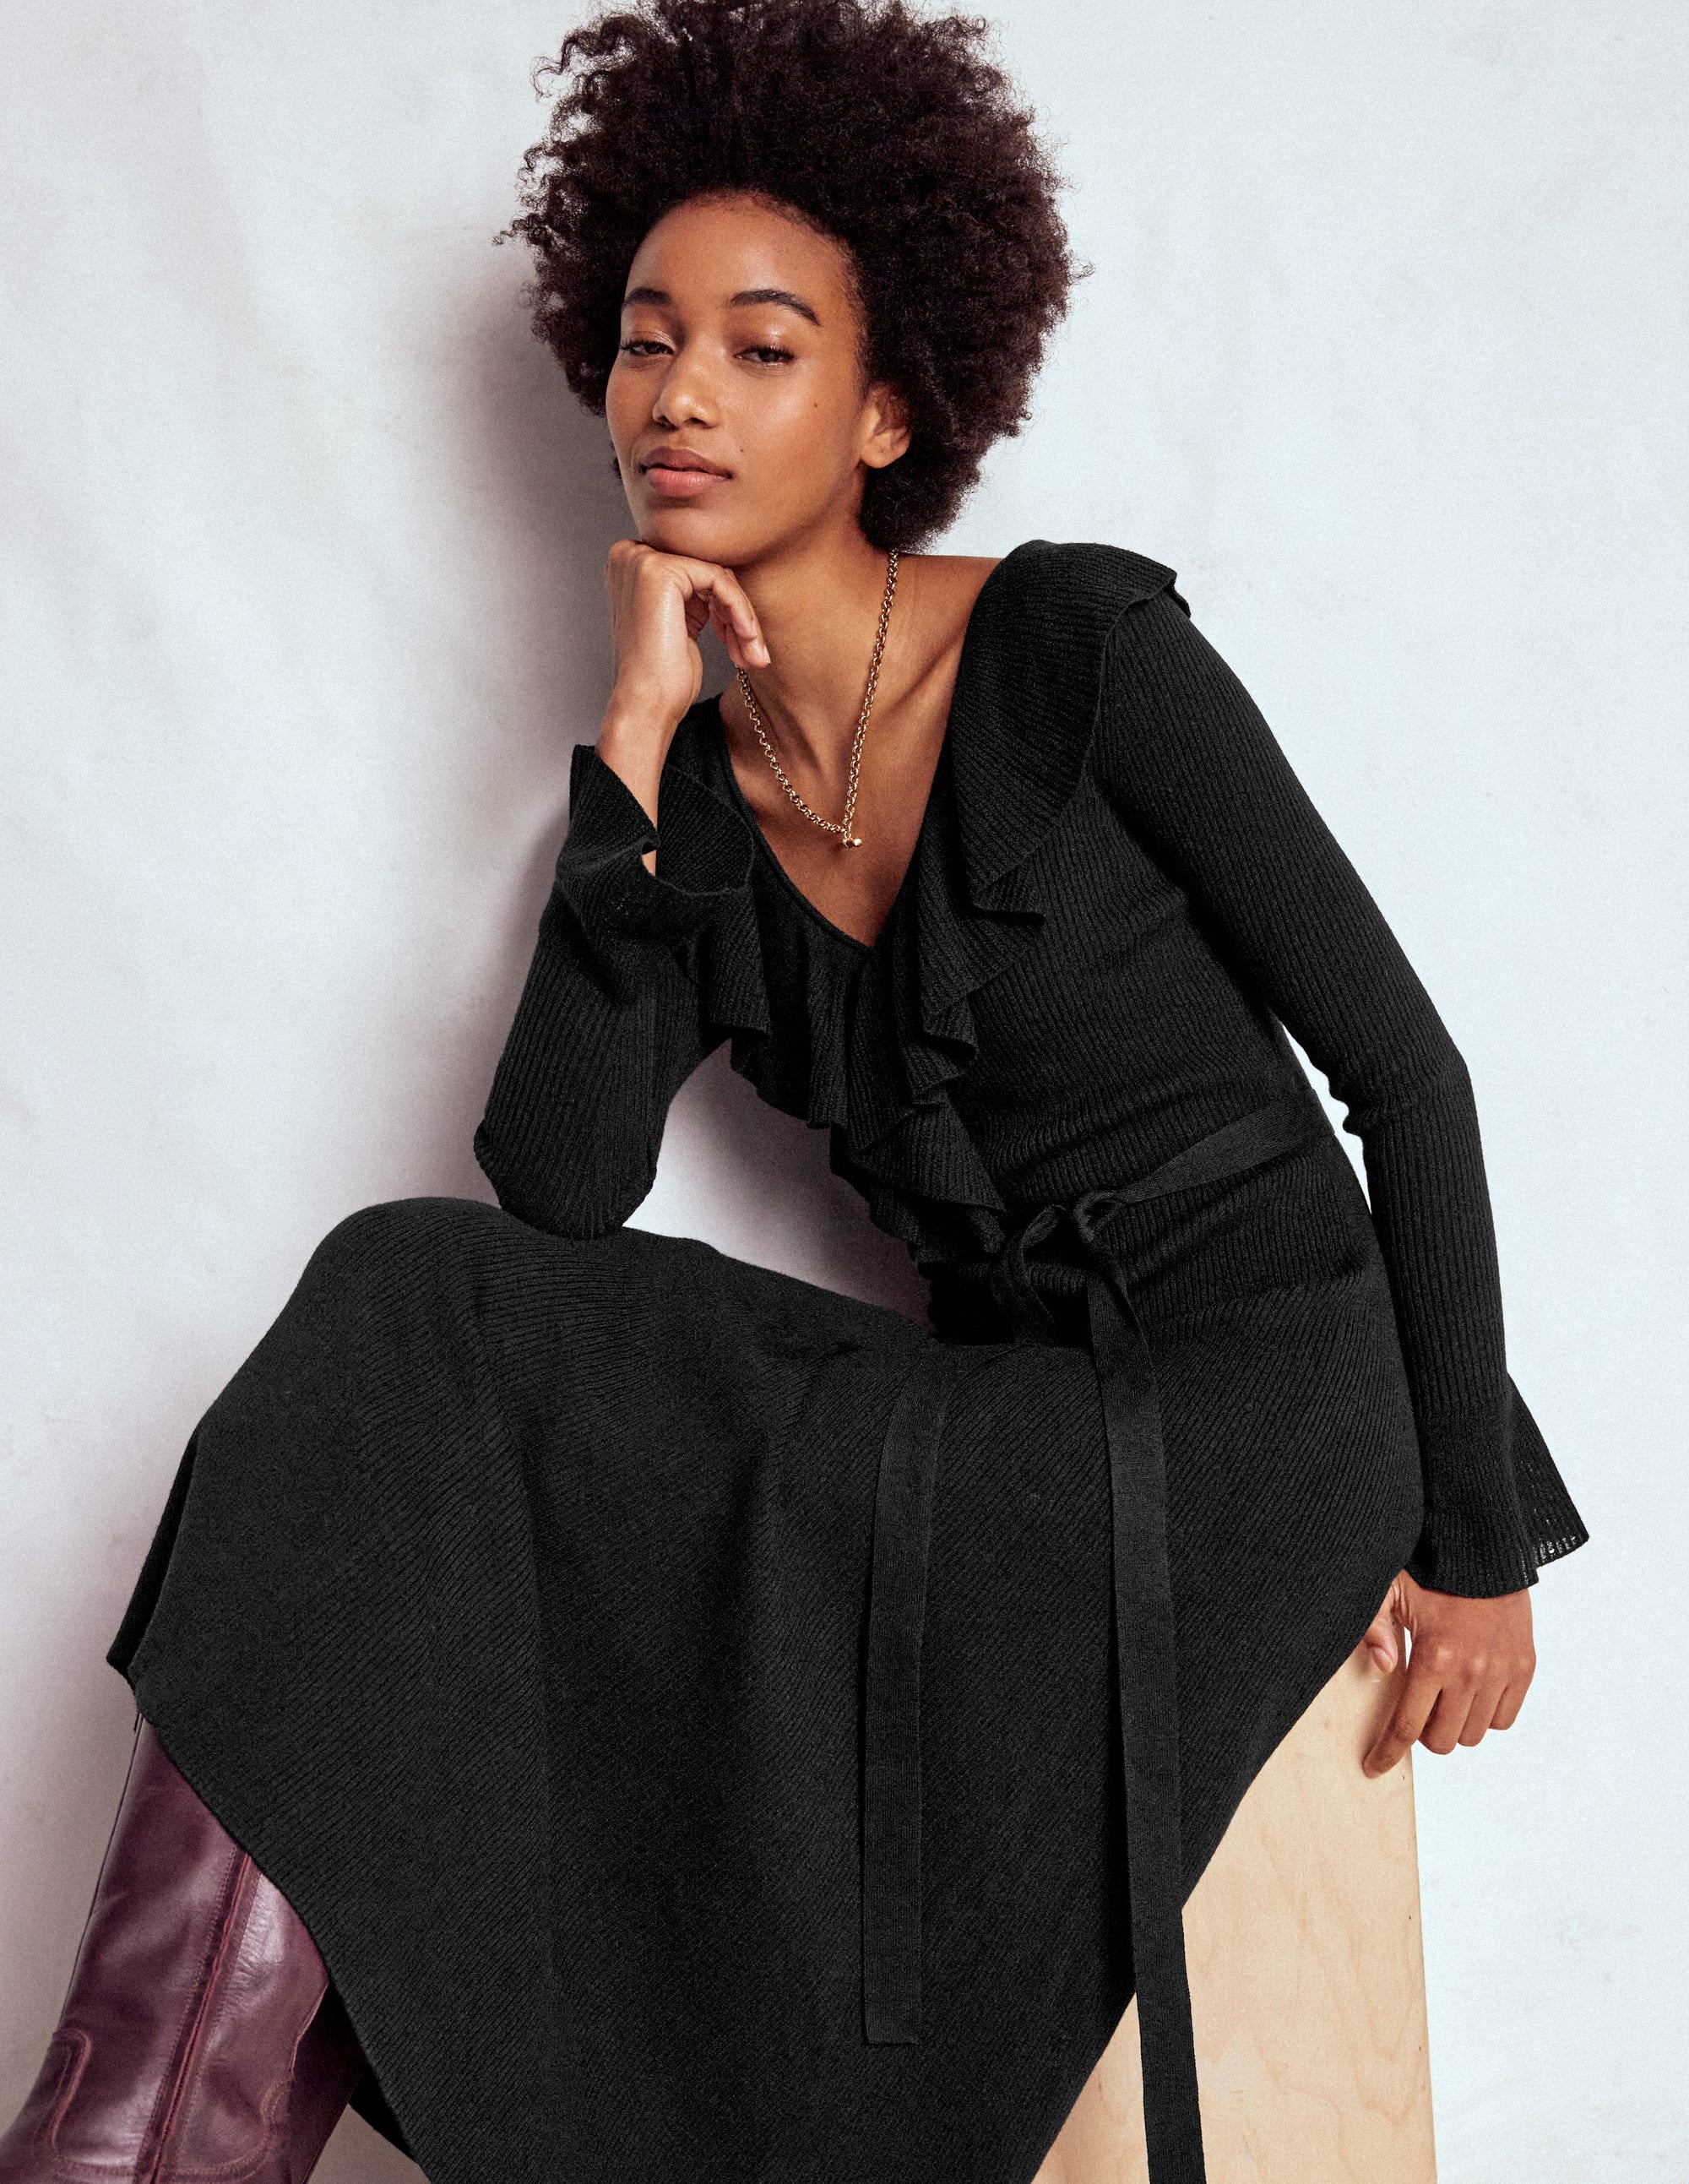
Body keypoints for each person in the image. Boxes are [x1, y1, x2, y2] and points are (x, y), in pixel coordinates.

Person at [0, 2, 1588, 2180]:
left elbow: (1407, 1074)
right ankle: (133, 2145)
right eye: (649, 340)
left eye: (758, 345)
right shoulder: (707, 818)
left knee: (476, 1354)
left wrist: (1476, 1551)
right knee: (418, 1306)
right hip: (1017, 1443)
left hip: (1266, 1415)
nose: (678, 393)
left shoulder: (1082, 651)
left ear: (886, 405)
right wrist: (634, 756)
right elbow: (558, 1194)